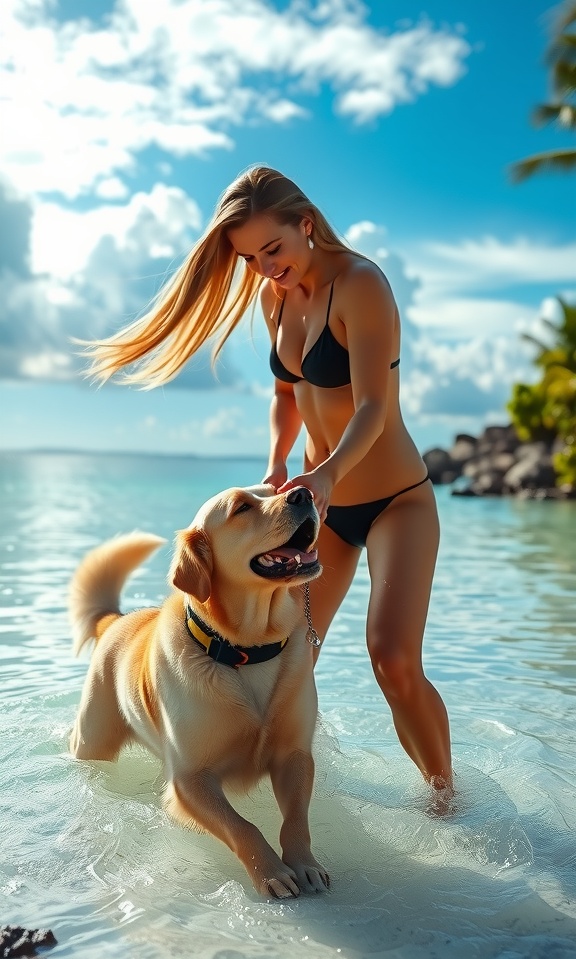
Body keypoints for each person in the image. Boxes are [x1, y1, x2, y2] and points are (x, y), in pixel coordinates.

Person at [85, 165, 453, 794]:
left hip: (394, 500)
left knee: (391, 657)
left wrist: (330, 472)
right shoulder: (274, 296)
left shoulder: (361, 284)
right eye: (250, 258)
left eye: (272, 249)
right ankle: (288, 789)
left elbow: (374, 406)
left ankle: (448, 798)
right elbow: (288, 393)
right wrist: (278, 463)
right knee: (287, 662)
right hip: (316, 505)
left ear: (305, 224)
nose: (264, 267)